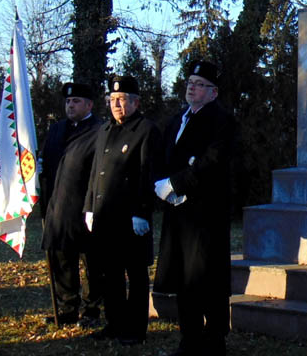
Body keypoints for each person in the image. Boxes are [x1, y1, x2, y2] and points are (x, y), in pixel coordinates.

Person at [153, 61, 237, 356]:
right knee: (183, 278)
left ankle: (214, 341)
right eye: (189, 81)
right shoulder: (177, 120)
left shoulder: (221, 120)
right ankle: (188, 338)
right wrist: (163, 183)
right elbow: (166, 156)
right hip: (179, 213)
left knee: (209, 278)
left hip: (206, 214)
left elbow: (211, 162)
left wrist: (177, 182)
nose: (192, 87)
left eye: (199, 83)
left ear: (213, 92)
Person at [84, 75, 162, 345]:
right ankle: (114, 324)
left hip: (131, 218)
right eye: (113, 99)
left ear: (136, 102)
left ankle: (135, 329)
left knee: (136, 275)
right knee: (111, 274)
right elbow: (96, 171)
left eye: (122, 99)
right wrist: (89, 206)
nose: (117, 104)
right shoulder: (104, 130)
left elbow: (147, 173)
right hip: (105, 215)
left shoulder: (145, 130)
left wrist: (142, 211)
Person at [38, 81, 102, 327]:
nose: (70, 105)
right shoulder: (56, 130)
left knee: (92, 263)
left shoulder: (99, 130)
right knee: (61, 260)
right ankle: (66, 308)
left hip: (84, 205)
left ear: (89, 105)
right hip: (57, 205)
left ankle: (92, 310)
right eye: (67, 101)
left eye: (76, 101)